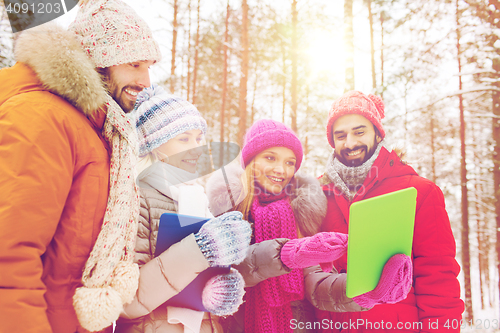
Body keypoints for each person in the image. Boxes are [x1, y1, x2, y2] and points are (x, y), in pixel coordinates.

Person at [0, 0, 161, 332]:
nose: (146, 80)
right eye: (133, 64)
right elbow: (10, 256)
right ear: (98, 63)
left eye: (149, 65)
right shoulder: (43, 119)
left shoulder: (100, 133)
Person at [306, 90, 464, 332]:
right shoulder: (314, 196)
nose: (350, 143)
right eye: (341, 135)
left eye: (360, 132)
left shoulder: (419, 192)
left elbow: (439, 278)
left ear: (377, 133)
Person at [115, 85, 252, 333]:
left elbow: (201, 273)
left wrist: (216, 292)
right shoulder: (136, 198)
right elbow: (127, 300)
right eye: (184, 139)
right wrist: (201, 250)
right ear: (156, 145)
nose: (196, 148)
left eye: (199, 139)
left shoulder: (197, 198)